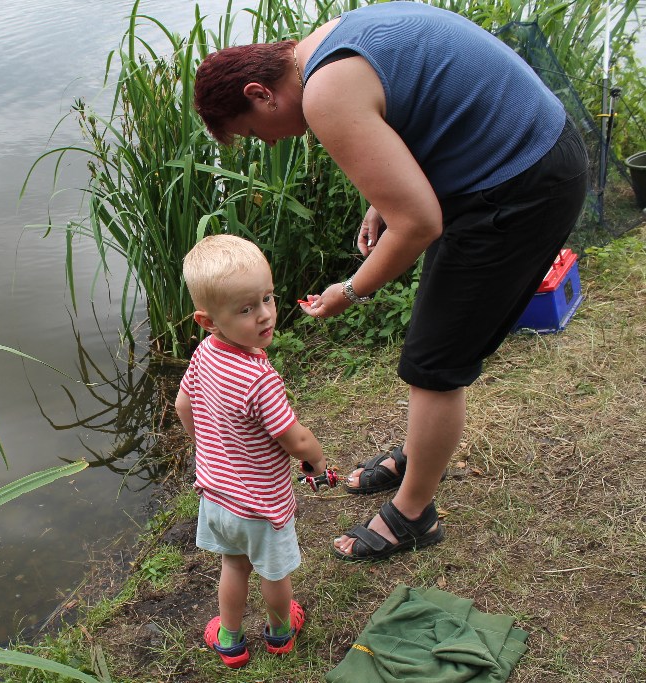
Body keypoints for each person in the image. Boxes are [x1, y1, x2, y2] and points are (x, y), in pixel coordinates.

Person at [192, 2, 589, 562]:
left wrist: (351, 290)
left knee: (435, 362)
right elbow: (419, 109)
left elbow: (420, 224)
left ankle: (414, 515)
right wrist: (385, 197)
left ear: (261, 93)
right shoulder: (327, 41)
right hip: (528, 150)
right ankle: (420, 454)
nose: (270, 143)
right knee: (435, 342)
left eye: (255, 132)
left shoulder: (325, 94)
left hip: (522, 179)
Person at [174, 234, 326, 668]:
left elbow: (184, 405)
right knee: (274, 574)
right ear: (208, 320)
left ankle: (230, 639)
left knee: (234, 566)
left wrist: (208, 447)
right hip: (262, 506)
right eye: (245, 309)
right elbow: (294, 439)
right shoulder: (259, 379)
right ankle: (280, 632)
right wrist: (316, 460)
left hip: (217, 497)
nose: (264, 315)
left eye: (267, 298)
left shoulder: (204, 353)